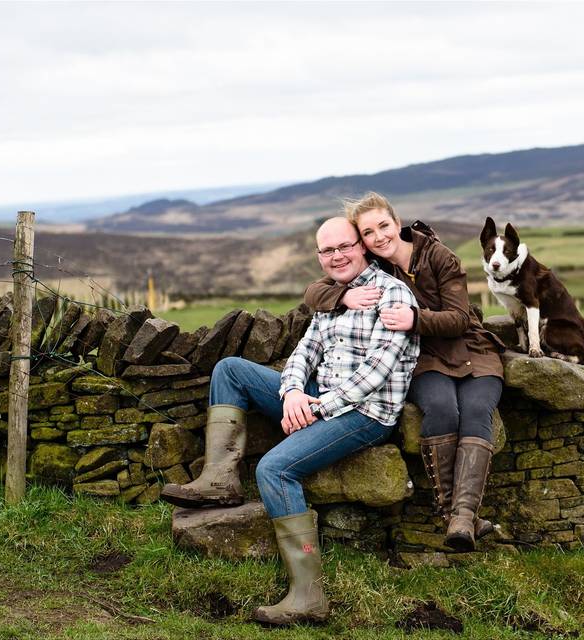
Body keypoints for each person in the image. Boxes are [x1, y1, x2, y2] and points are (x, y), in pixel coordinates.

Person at [161, 217, 419, 626]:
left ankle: (308, 597)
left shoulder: (392, 295)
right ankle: (219, 481)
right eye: (327, 251)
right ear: (319, 257)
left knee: (275, 469)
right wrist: (293, 392)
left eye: (344, 247)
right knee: (230, 369)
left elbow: (375, 375)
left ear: (362, 246)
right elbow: (304, 350)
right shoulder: (335, 296)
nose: (337, 256)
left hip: (366, 413)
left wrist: (315, 408)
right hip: (317, 395)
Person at [304, 192, 504, 552]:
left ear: (398, 224)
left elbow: (460, 319)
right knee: (442, 409)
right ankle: (456, 519)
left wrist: (415, 319)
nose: (379, 237)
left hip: (472, 351)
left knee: (476, 410)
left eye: (383, 226)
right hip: (426, 358)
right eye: (368, 232)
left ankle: (462, 516)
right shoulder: (376, 268)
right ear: (361, 242)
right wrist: (342, 298)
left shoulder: (440, 257)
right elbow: (313, 291)